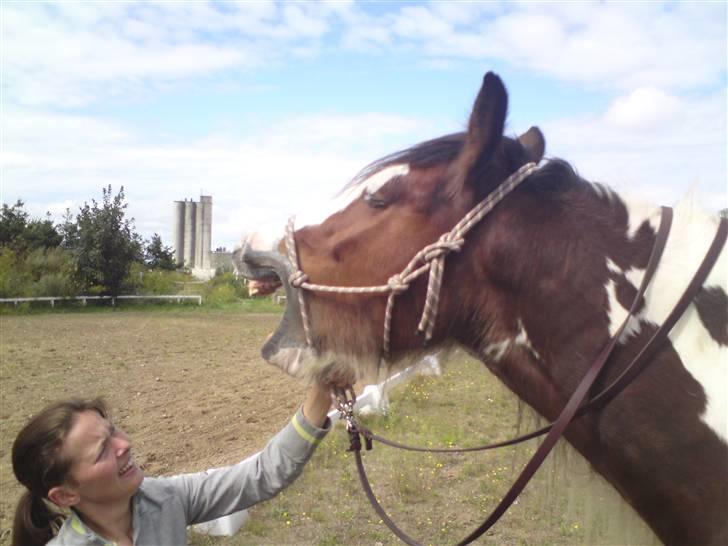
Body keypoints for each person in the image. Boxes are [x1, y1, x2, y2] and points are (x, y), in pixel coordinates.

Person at [11, 382, 336, 546]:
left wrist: (320, 396)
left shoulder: (166, 499)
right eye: (102, 451)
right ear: (65, 495)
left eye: (113, 432)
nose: (125, 445)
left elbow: (259, 477)